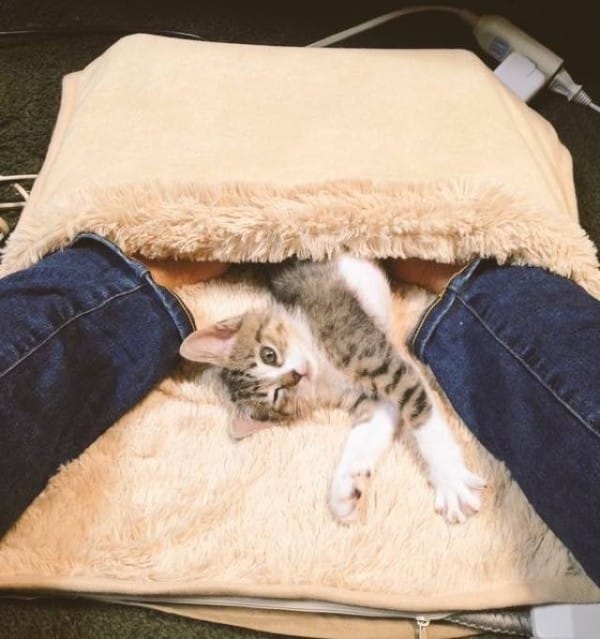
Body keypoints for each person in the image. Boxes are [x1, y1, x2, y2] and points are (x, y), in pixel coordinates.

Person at [0, 234, 598, 588]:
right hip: (363, 298)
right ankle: (478, 288)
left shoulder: (314, 319)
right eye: (278, 393)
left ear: (243, 329)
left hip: (335, 260)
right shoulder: (313, 386)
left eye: (269, 357)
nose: (290, 374)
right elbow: (378, 403)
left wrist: (443, 466)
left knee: (381, 376)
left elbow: (401, 383)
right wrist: (353, 464)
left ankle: (128, 280)